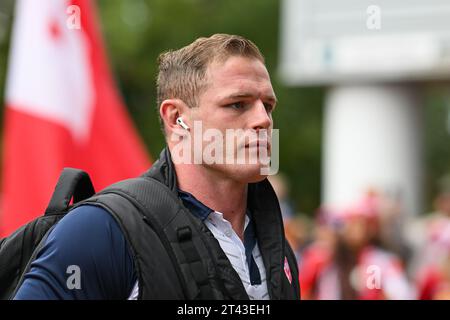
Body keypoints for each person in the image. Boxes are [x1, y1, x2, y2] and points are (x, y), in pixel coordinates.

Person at [13, 34, 300, 300]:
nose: (263, 120)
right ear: (176, 119)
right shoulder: (103, 229)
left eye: (268, 105)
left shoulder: (275, 242)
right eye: (238, 104)